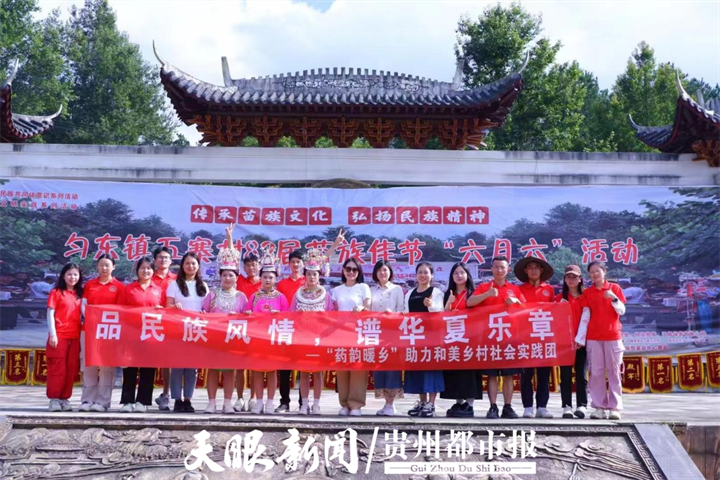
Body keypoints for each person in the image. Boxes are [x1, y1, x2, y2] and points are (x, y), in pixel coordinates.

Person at [467, 256, 524, 419]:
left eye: (502, 267)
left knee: (508, 375)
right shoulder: (484, 287)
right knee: (492, 375)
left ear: (508, 270)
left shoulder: (514, 289)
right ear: (491, 269)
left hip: (509, 337)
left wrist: (516, 301)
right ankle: (493, 407)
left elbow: (526, 309)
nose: (499, 270)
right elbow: (470, 302)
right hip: (490, 337)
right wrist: (487, 294)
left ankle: (508, 406)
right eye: (496, 267)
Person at [201, 224, 247, 414]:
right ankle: (211, 402)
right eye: (225, 275)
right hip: (214, 338)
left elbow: (247, 319)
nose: (228, 278)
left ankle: (227, 402)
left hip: (233, 339)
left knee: (230, 371)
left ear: (236, 278)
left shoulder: (241, 297)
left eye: (231, 275)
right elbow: (202, 314)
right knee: (212, 370)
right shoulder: (212, 294)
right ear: (220, 276)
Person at [575, 261, 627, 420]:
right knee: (596, 372)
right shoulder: (588, 292)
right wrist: (580, 337)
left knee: (614, 372)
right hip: (593, 337)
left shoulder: (615, 288)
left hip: (613, 336)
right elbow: (585, 316)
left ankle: (615, 408)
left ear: (604, 271)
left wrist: (613, 298)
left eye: (598, 271)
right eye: (592, 272)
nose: (595, 274)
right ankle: (599, 407)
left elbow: (621, 311)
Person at [290, 249, 334, 415]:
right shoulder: (298, 294)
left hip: (318, 338)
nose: (311, 277)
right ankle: (304, 404)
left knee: (317, 372)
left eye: (314, 274)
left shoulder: (325, 295)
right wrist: (298, 316)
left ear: (319, 275)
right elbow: (290, 314)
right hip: (302, 337)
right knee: (303, 372)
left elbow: (331, 315)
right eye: (309, 274)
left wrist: (324, 317)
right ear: (305, 275)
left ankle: (316, 404)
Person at [118, 257, 165, 412]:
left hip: (151, 333)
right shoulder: (129, 288)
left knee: (148, 368)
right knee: (130, 367)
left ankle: (142, 402)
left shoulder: (158, 289)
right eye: (142, 268)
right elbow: (120, 310)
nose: (146, 271)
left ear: (153, 271)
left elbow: (166, 311)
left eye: (149, 268)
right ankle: (127, 401)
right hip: (131, 333)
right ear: (137, 270)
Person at [79, 254, 125, 413]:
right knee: (89, 365)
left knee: (106, 367)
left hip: (109, 331)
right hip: (89, 330)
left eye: (107, 265)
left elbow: (121, 310)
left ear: (113, 267)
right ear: (97, 267)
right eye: (101, 265)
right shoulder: (90, 285)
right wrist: (91, 319)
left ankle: (103, 402)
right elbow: (84, 305)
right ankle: (87, 400)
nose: (104, 268)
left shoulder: (119, 287)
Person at [245, 250, 289, 414]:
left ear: (275, 279)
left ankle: (270, 401)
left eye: (271, 277)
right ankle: (258, 402)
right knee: (257, 371)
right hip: (257, 339)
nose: (267, 280)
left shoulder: (281, 297)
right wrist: (248, 314)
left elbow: (287, 318)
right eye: (264, 277)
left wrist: (279, 315)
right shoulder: (254, 297)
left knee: (272, 371)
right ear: (260, 278)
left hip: (274, 339)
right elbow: (247, 315)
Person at [165, 252, 208, 413]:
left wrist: (204, 313)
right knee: (177, 366)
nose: (190, 266)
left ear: (198, 266)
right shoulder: (174, 284)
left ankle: (188, 399)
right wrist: (174, 307)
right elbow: (167, 306)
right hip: (178, 330)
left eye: (193, 263)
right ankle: (177, 399)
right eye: (187, 263)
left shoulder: (203, 286)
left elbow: (207, 308)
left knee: (192, 368)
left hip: (196, 330)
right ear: (182, 266)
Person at [515, 256, 556, 419]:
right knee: (526, 375)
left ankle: (542, 407)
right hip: (525, 338)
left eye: (536, 267)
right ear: (525, 271)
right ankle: (528, 407)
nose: (533, 270)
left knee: (544, 375)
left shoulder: (549, 289)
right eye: (530, 267)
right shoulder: (519, 289)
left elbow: (554, 312)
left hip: (544, 338)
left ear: (541, 270)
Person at [404, 261, 445, 418]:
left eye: (426, 272)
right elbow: (405, 312)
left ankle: (431, 404)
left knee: (431, 370)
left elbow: (441, 313)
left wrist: (430, 306)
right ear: (416, 275)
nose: (422, 275)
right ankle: (422, 402)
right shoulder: (410, 293)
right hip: (415, 338)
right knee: (419, 370)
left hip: (432, 338)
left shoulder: (436, 292)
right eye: (420, 272)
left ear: (431, 275)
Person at [441, 262, 482, 418]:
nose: (459, 276)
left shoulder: (473, 293)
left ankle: (470, 404)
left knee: (470, 372)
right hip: (453, 337)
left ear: (467, 275)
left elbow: (479, 314)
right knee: (455, 370)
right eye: (456, 273)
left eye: (462, 272)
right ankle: (459, 402)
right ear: (452, 276)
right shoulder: (448, 293)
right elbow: (444, 314)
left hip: (470, 338)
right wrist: (449, 302)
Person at [331, 257, 371, 416]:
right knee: (342, 368)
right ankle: (344, 404)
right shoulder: (337, 290)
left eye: (355, 269)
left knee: (358, 368)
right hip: (341, 333)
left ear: (359, 272)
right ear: (343, 270)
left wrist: (361, 309)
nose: (351, 272)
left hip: (359, 332)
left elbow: (368, 309)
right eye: (348, 269)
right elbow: (334, 312)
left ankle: (356, 404)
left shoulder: (363, 287)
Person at [369, 260, 405, 416]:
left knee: (392, 369)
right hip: (376, 334)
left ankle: (391, 403)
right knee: (380, 369)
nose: (382, 273)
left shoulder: (396, 289)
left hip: (392, 334)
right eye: (379, 270)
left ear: (390, 272)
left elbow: (402, 310)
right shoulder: (371, 290)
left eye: (385, 270)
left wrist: (393, 315)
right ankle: (386, 403)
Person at [46, 263, 83, 412]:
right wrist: (53, 334)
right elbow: (50, 313)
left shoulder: (80, 294)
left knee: (71, 368)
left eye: (75, 274)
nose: (72, 277)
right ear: (63, 276)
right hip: (59, 336)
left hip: (75, 336)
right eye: (69, 274)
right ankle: (54, 399)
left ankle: (64, 398)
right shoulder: (56, 292)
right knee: (57, 368)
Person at [275, 249, 306, 413]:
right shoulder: (281, 284)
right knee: (284, 367)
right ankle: (284, 401)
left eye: (298, 262)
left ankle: (303, 402)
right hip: (286, 327)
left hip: (303, 329)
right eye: (293, 262)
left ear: (303, 264)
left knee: (303, 367)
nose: (295, 264)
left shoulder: (307, 281)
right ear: (288, 264)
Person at [556, 264, 588, 419]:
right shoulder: (559, 298)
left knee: (581, 375)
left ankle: (582, 405)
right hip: (564, 344)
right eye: (568, 276)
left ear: (580, 279)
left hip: (582, 343)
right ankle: (566, 406)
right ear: (564, 279)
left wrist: (582, 338)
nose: (571, 280)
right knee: (566, 376)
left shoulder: (586, 296)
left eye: (574, 277)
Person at [235, 252, 261, 412]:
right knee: (240, 366)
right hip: (240, 328)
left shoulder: (265, 282)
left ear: (259, 266)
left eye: (254, 264)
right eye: (248, 265)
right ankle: (239, 398)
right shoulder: (239, 280)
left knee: (255, 365)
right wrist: (230, 241)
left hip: (258, 329)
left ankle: (254, 398)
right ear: (243, 268)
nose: (251, 268)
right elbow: (231, 256)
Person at [152, 246, 177, 412]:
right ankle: (142, 397)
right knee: (150, 360)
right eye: (160, 257)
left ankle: (166, 394)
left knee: (168, 361)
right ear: (155, 260)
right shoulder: (148, 276)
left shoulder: (176, 279)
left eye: (166, 257)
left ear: (171, 261)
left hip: (171, 323)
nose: (163, 260)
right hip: (151, 322)